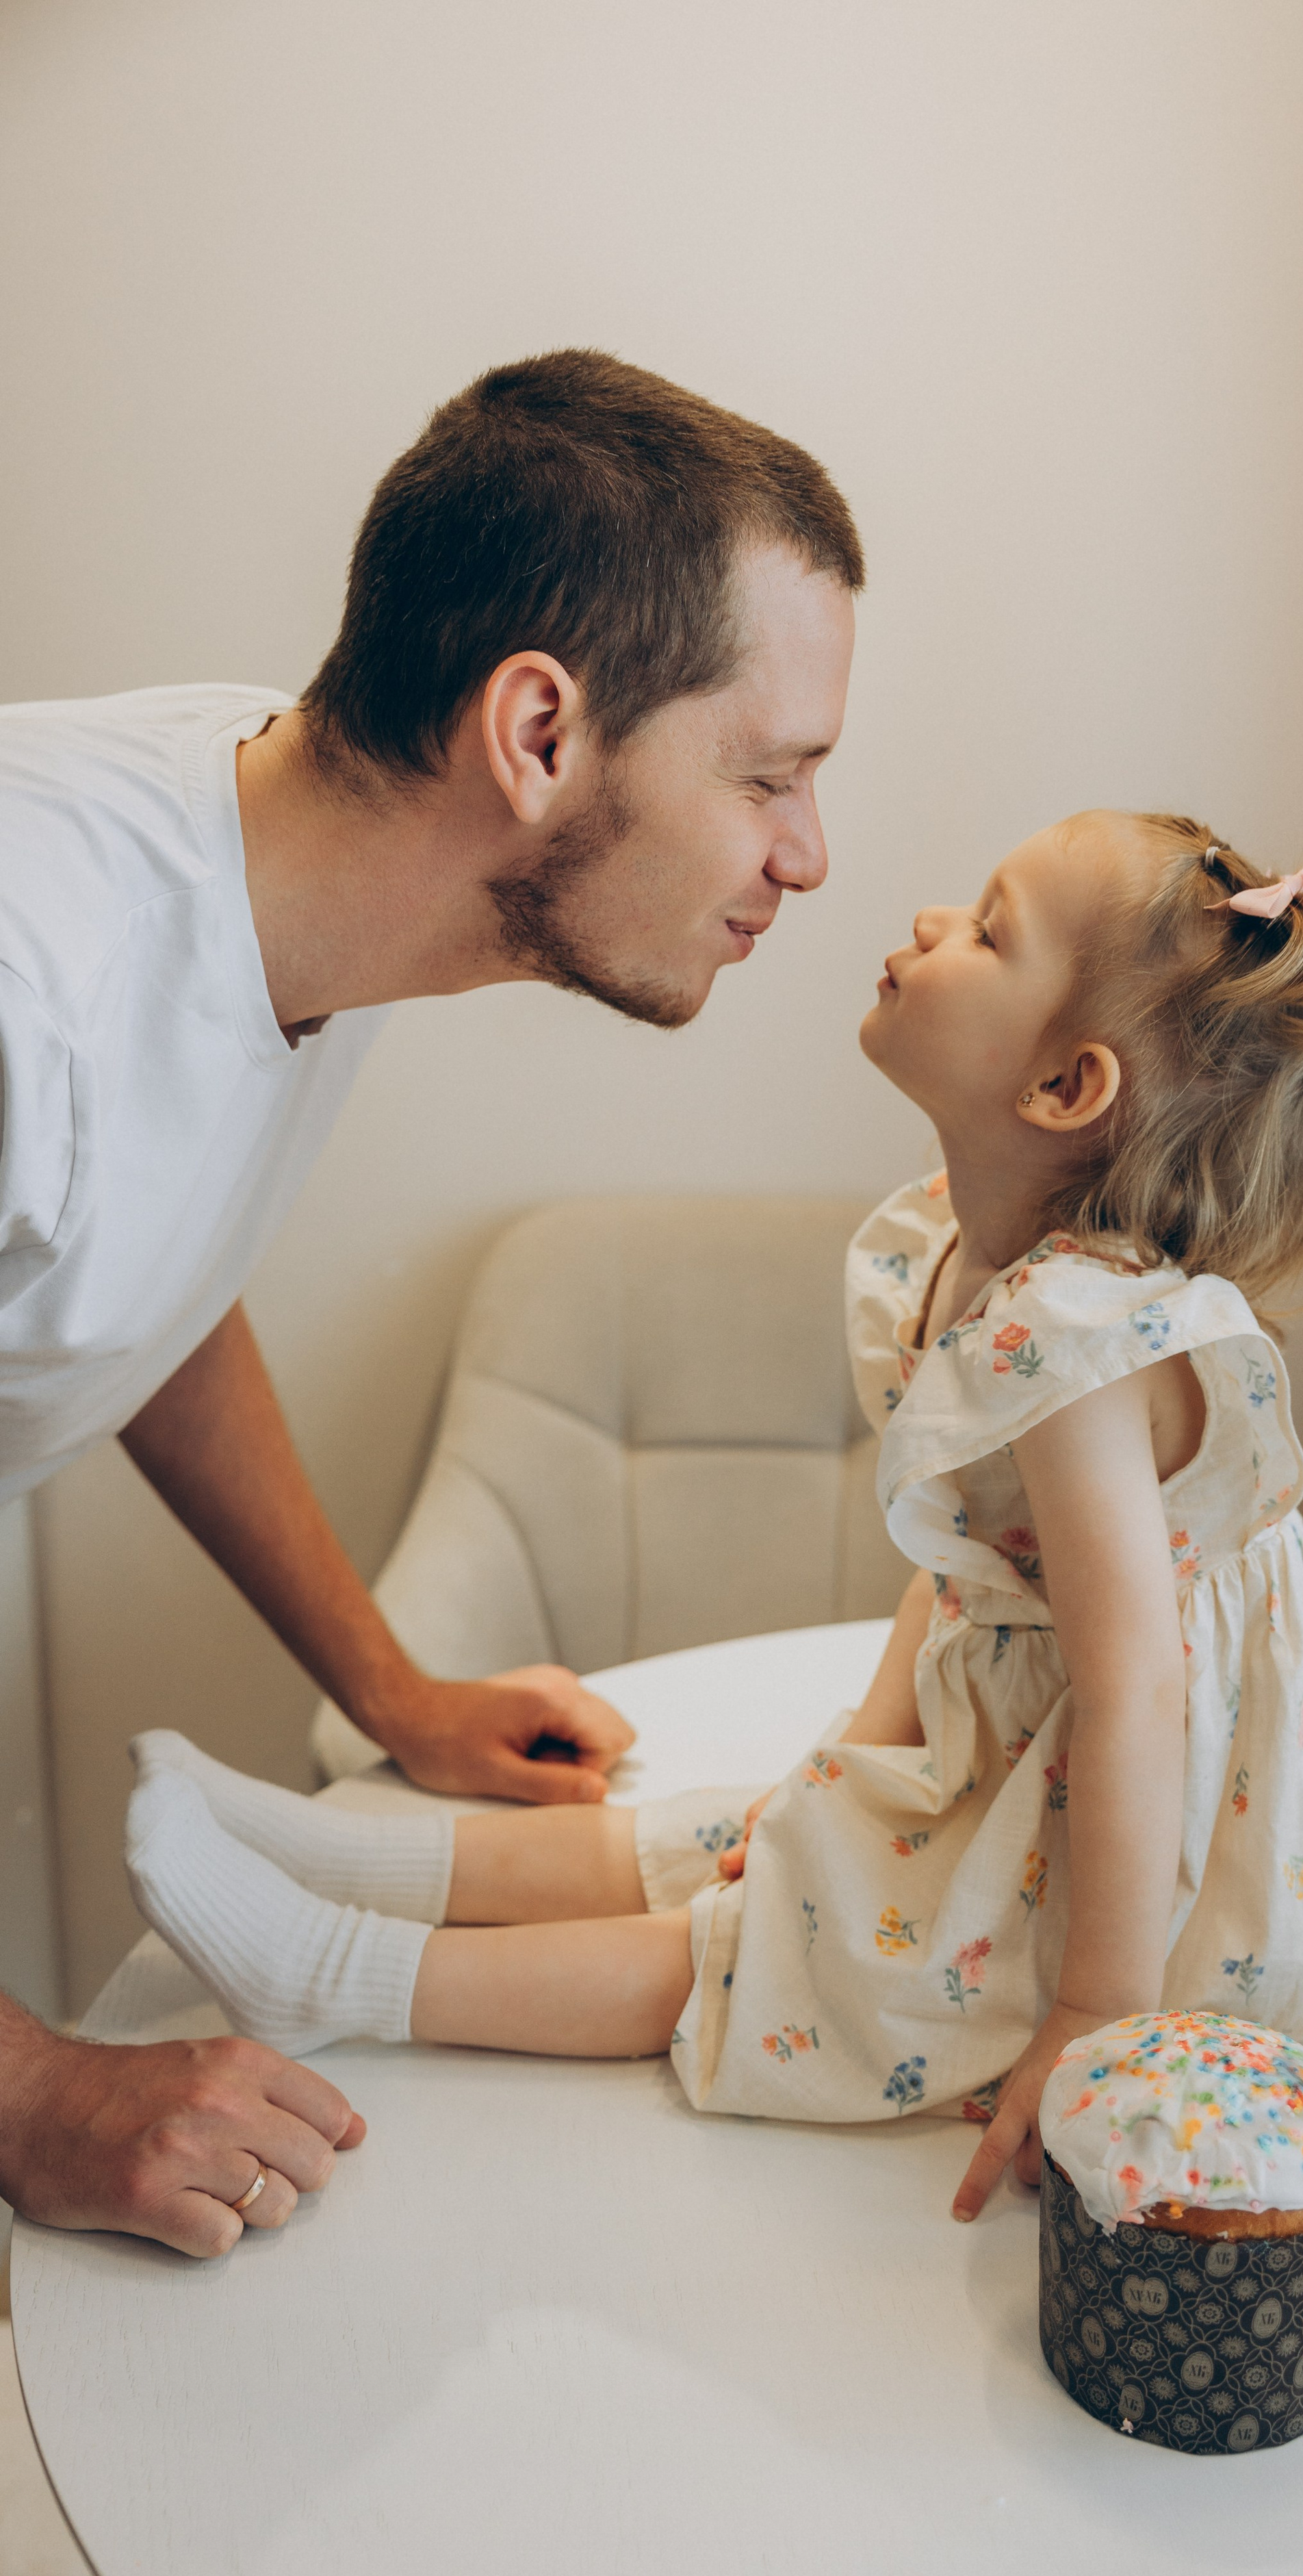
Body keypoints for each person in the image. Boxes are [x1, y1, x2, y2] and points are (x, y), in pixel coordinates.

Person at [118, 809, 1303, 2219]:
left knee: (792, 1945)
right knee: (753, 1832)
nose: (929, 927)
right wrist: (855, 1756)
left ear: (1065, 1085)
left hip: (1156, 1844)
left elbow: (1137, 1691)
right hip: (1037, 1750)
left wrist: (1094, 2011)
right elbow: (968, 1576)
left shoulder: (1083, 1349)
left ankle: (336, 1973)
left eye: (987, 931)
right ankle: (340, 1851)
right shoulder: (972, 1260)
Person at [0, 349, 862, 2252]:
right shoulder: (27, 985)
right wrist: (34, 2090)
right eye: (769, 777)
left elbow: (136, 1268)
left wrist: (386, 1689)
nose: (807, 856)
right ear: (537, 733)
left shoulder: (301, 854)